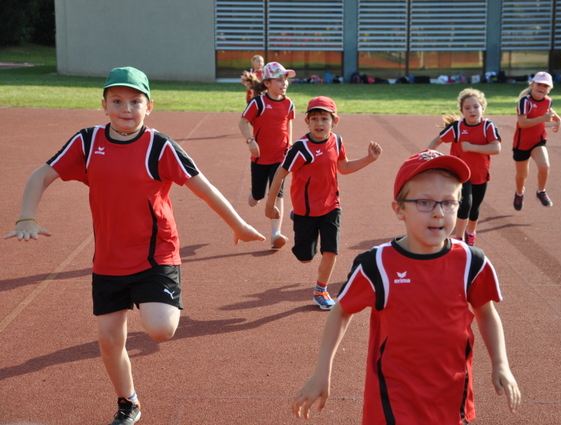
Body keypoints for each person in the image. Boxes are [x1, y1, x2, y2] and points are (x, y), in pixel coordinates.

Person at [3, 66, 265, 425]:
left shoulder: (160, 146)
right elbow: (41, 175)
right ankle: (129, 402)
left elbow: (203, 187)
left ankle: (152, 297)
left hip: (156, 254)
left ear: (149, 106)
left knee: (160, 329)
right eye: (117, 101)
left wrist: (239, 225)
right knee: (109, 339)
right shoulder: (87, 142)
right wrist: (26, 217)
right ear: (104, 105)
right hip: (108, 259)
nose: (126, 108)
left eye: (135, 101)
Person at [292, 149, 521, 424]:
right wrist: (322, 372)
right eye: (424, 202)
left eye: (449, 202)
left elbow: (486, 313)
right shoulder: (376, 264)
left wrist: (501, 363)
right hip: (391, 401)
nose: (438, 213)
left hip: (452, 400)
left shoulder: (473, 262)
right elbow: (341, 311)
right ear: (399, 209)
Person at [264, 96, 382, 310]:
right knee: (305, 258)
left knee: (331, 251)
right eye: (314, 118)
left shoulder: (337, 141)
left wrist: (369, 159)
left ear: (334, 121)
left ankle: (321, 291)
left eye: (324, 118)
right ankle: (295, 218)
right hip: (305, 210)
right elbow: (280, 174)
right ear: (307, 122)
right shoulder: (300, 148)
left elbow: (344, 167)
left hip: (331, 206)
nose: (319, 123)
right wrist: (270, 205)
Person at [427, 88, 501, 246]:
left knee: (475, 208)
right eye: (467, 108)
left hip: (480, 174)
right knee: (465, 204)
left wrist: (471, 147)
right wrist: (428, 156)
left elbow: (496, 148)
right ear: (462, 111)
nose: (472, 110)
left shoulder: (488, 126)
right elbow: (436, 141)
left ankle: (471, 233)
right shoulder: (457, 127)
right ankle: (459, 239)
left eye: (475, 106)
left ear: (483, 108)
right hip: (460, 174)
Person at [239, 61, 296, 249]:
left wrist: (290, 146)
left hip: (280, 157)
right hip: (260, 158)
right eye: (279, 80)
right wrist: (250, 140)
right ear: (267, 83)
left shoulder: (289, 104)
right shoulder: (258, 103)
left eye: (285, 79)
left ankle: (275, 233)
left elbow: (288, 124)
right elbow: (242, 122)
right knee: (258, 195)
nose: (284, 83)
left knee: (277, 193)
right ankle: (254, 194)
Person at [512, 71, 561, 211]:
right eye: (539, 84)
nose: (542, 88)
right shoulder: (525, 102)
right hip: (521, 144)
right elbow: (522, 123)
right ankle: (519, 193)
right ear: (532, 85)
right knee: (522, 175)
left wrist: (558, 119)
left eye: (545, 86)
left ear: (549, 89)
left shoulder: (548, 101)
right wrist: (542, 119)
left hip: (538, 141)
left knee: (544, 166)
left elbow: (549, 110)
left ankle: (541, 191)